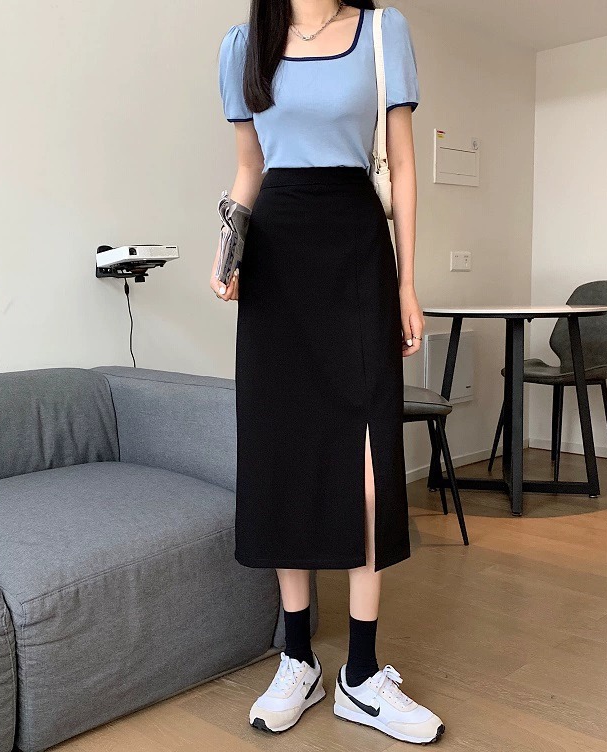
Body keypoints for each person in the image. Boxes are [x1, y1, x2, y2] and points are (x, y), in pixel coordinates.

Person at [211, 0, 444, 745]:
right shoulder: (243, 46)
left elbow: (402, 165)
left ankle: (362, 673)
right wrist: (228, 248)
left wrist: (407, 284)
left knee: (369, 462)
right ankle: (299, 659)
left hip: (355, 248)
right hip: (277, 258)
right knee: (284, 453)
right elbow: (249, 168)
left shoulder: (383, 32)